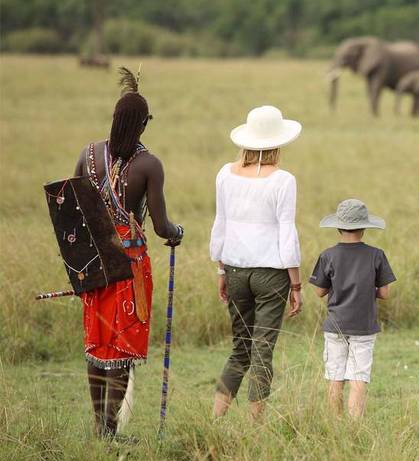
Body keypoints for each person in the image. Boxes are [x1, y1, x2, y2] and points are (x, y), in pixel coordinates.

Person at [72, 67, 183, 439]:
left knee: (98, 343)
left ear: (115, 119)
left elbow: (73, 212)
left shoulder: (88, 154)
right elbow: (161, 226)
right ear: (143, 125)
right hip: (130, 265)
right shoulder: (149, 165)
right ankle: (110, 428)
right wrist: (177, 234)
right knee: (123, 344)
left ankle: (100, 426)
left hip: (93, 262)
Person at [210, 105, 303, 419]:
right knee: (262, 349)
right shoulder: (283, 180)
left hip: (235, 269)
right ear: (278, 143)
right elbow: (286, 232)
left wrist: (221, 269)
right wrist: (296, 283)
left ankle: (216, 418)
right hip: (271, 274)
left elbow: (220, 224)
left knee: (241, 347)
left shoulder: (225, 173)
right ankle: (256, 426)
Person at [310, 199, 396, 419]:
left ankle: (335, 424)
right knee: (359, 377)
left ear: (338, 227)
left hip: (335, 324)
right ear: (365, 228)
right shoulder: (377, 254)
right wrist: (368, 290)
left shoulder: (328, 255)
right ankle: (355, 426)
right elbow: (385, 293)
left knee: (335, 376)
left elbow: (319, 291)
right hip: (364, 326)